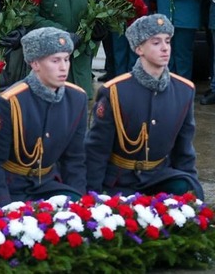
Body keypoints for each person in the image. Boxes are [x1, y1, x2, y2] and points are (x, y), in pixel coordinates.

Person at [86, 15, 204, 198]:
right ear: (139, 48)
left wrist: (192, 190)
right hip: (120, 181)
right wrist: (91, 195)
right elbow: (96, 150)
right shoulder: (115, 91)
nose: (165, 48)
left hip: (159, 178)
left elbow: (184, 150)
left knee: (187, 189)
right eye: (156, 43)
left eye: (167, 41)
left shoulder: (184, 90)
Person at [0, 27, 87, 207]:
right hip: (12, 186)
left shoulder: (77, 98)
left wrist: (81, 205)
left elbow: (74, 159)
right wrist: (3, 205)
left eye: (66, 59)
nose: (63, 67)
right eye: (55, 60)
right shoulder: (10, 102)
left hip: (47, 185)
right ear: (35, 64)